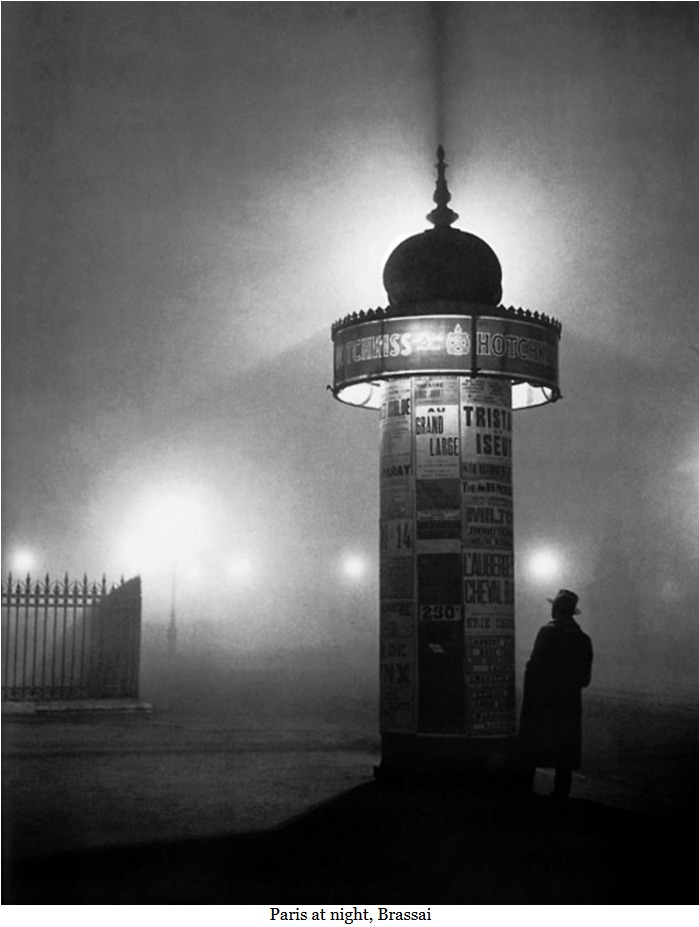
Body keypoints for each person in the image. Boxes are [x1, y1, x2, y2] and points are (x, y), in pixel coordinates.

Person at [518, 589, 593, 800]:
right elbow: (585, 679)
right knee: (564, 751)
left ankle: (525, 790)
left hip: (543, 701)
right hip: (568, 704)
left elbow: (533, 669)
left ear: (556, 609)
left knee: (533, 745)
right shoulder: (584, 640)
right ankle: (561, 793)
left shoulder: (547, 632)